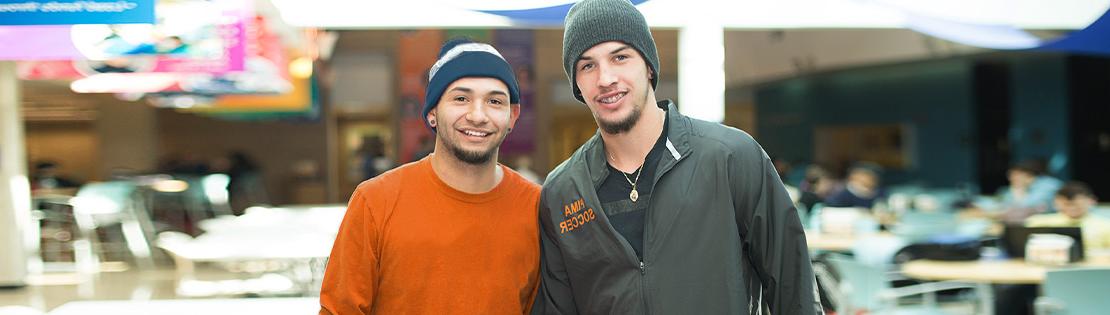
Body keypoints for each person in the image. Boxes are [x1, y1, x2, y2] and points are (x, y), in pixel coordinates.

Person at [533, 0, 821, 313]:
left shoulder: (730, 158)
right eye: (587, 65)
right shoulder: (563, 190)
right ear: (577, 84)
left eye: (620, 57)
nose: (605, 78)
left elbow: (795, 291)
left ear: (649, 65)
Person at [319, 38, 540, 314]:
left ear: (513, 115)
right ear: (433, 112)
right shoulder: (376, 201)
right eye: (461, 98)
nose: (478, 115)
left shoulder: (538, 207)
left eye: (494, 101)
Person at [995, 182, 1109, 315]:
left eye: (1076, 204)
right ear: (1057, 203)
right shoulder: (1038, 222)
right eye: (1066, 204)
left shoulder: (1104, 225)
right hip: (1037, 275)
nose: (1071, 208)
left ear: (1091, 201)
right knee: (1010, 294)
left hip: (1086, 278)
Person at [996, 160, 1064, 224]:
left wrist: (1017, 191)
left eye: (1015, 175)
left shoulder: (1048, 185)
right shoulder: (1025, 188)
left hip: (1056, 223)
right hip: (1039, 222)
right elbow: (1004, 205)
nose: (1011, 179)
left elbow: (1024, 207)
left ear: (1028, 175)